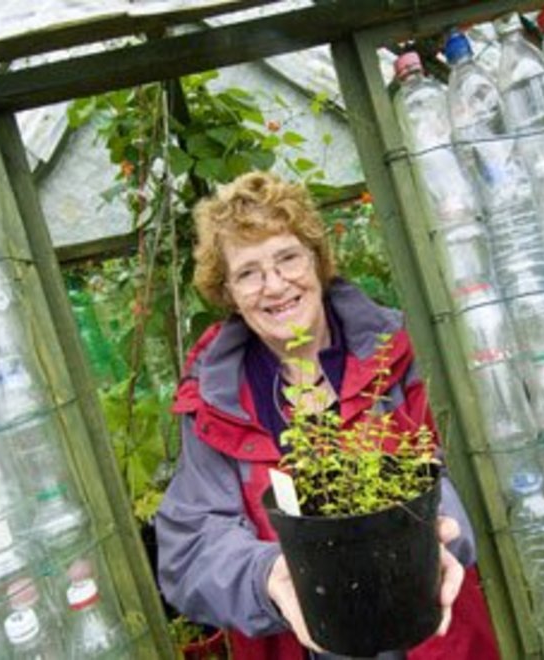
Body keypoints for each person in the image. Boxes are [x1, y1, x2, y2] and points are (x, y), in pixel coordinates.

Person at [155, 171, 499, 659]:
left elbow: (459, 468)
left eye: (288, 258)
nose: (275, 285)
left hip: (433, 639)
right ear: (228, 293)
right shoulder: (217, 400)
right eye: (248, 272)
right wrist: (270, 576)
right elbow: (190, 545)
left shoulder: (398, 354)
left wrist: (435, 537)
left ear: (318, 262)